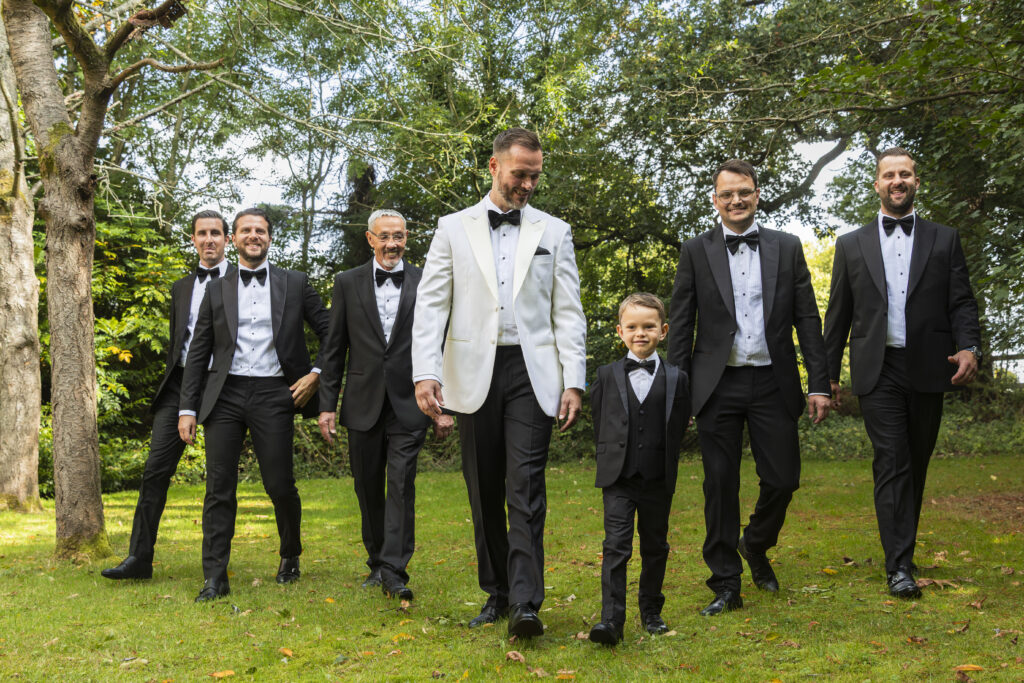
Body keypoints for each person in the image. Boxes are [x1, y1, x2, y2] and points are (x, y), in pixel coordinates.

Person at [411, 127, 587, 637]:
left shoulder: (555, 231)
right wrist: (426, 372)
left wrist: (573, 380)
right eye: (519, 174)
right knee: (483, 484)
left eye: (535, 175)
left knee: (526, 485)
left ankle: (527, 603)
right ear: (493, 167)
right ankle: (497, 592)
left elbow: (568, 314)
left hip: (534, 375)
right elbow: (431, 307)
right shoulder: (452, 227)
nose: (528, 184)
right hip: (472, 372)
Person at [668, 159, 831, 616]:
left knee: (783, 479)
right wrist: (677, 391)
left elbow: (807, 320)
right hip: (715, 385)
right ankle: (725, 583)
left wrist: (818, 382)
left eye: (744, 192)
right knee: (720, 485)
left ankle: (754, 543)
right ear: (715, 201)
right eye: (726, 194)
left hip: (772, 381)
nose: (735, 200)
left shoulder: (787, 246)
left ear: (757, 194)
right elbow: (681, 326)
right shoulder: (695, 251)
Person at [823, 148, 981, 599]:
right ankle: (899, 567)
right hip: (878, 367)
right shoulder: (850, 244)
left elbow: (961, 302)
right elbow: (838, 314)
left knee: (916, 460)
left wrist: (968, 346)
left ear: (915, 182)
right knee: (891, 460)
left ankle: (902, 553)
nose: (898, 180)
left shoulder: (945, 238)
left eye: (905, 174)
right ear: (877, 184)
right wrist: (826, 376)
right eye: (889, 174)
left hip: (931, 366)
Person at [178, 207, 329, 602]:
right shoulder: (217, 288)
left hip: (274, 394)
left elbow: (333, 331)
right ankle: (215, 577)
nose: (253, 236)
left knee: (279, 484)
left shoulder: (294, 283)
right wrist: (187, 408)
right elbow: (199, 353)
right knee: (218, 487)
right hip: (225, 395)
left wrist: (315, 373)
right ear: (234, 239)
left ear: (269, 237)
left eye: (260, 230)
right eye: (245, 230)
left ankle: (290, 554)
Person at [317, 209, 453, 601]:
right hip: (362, 401)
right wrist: (327, 404)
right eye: (385, 236)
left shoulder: (427, 280)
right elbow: (334, 347)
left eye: (399, 236)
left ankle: (395, 569)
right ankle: (376, 560)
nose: (392, 243)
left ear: (407, 237)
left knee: (401, 484)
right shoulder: (346, 282)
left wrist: (447, 406)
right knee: (366, 486)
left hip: (412, 402)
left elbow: (444, 343)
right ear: (370, 239)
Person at [102, 211, 235, 581]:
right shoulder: (180, 288)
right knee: (154, 472)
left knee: (220, 481)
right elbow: (181, 342)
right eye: (202, 234)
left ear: (227, 240)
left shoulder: (242, 283)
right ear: (193, 239)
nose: (209, 240)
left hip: (226, 385)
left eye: (216, 233)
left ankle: (222, 566)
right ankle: (139, 559)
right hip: (179, 385)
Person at [588, 293, 690, 646]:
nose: (640, 333)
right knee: (616, 546)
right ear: (620, 331)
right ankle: (611, 620)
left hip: (658, 477)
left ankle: (652, 611)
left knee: (655, 546)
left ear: (663, 331)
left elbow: (679, 424)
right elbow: (600, 420)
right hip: (618, 477)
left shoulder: (678, 378)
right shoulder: (605, 375)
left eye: (649, 327)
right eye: (632, 327)